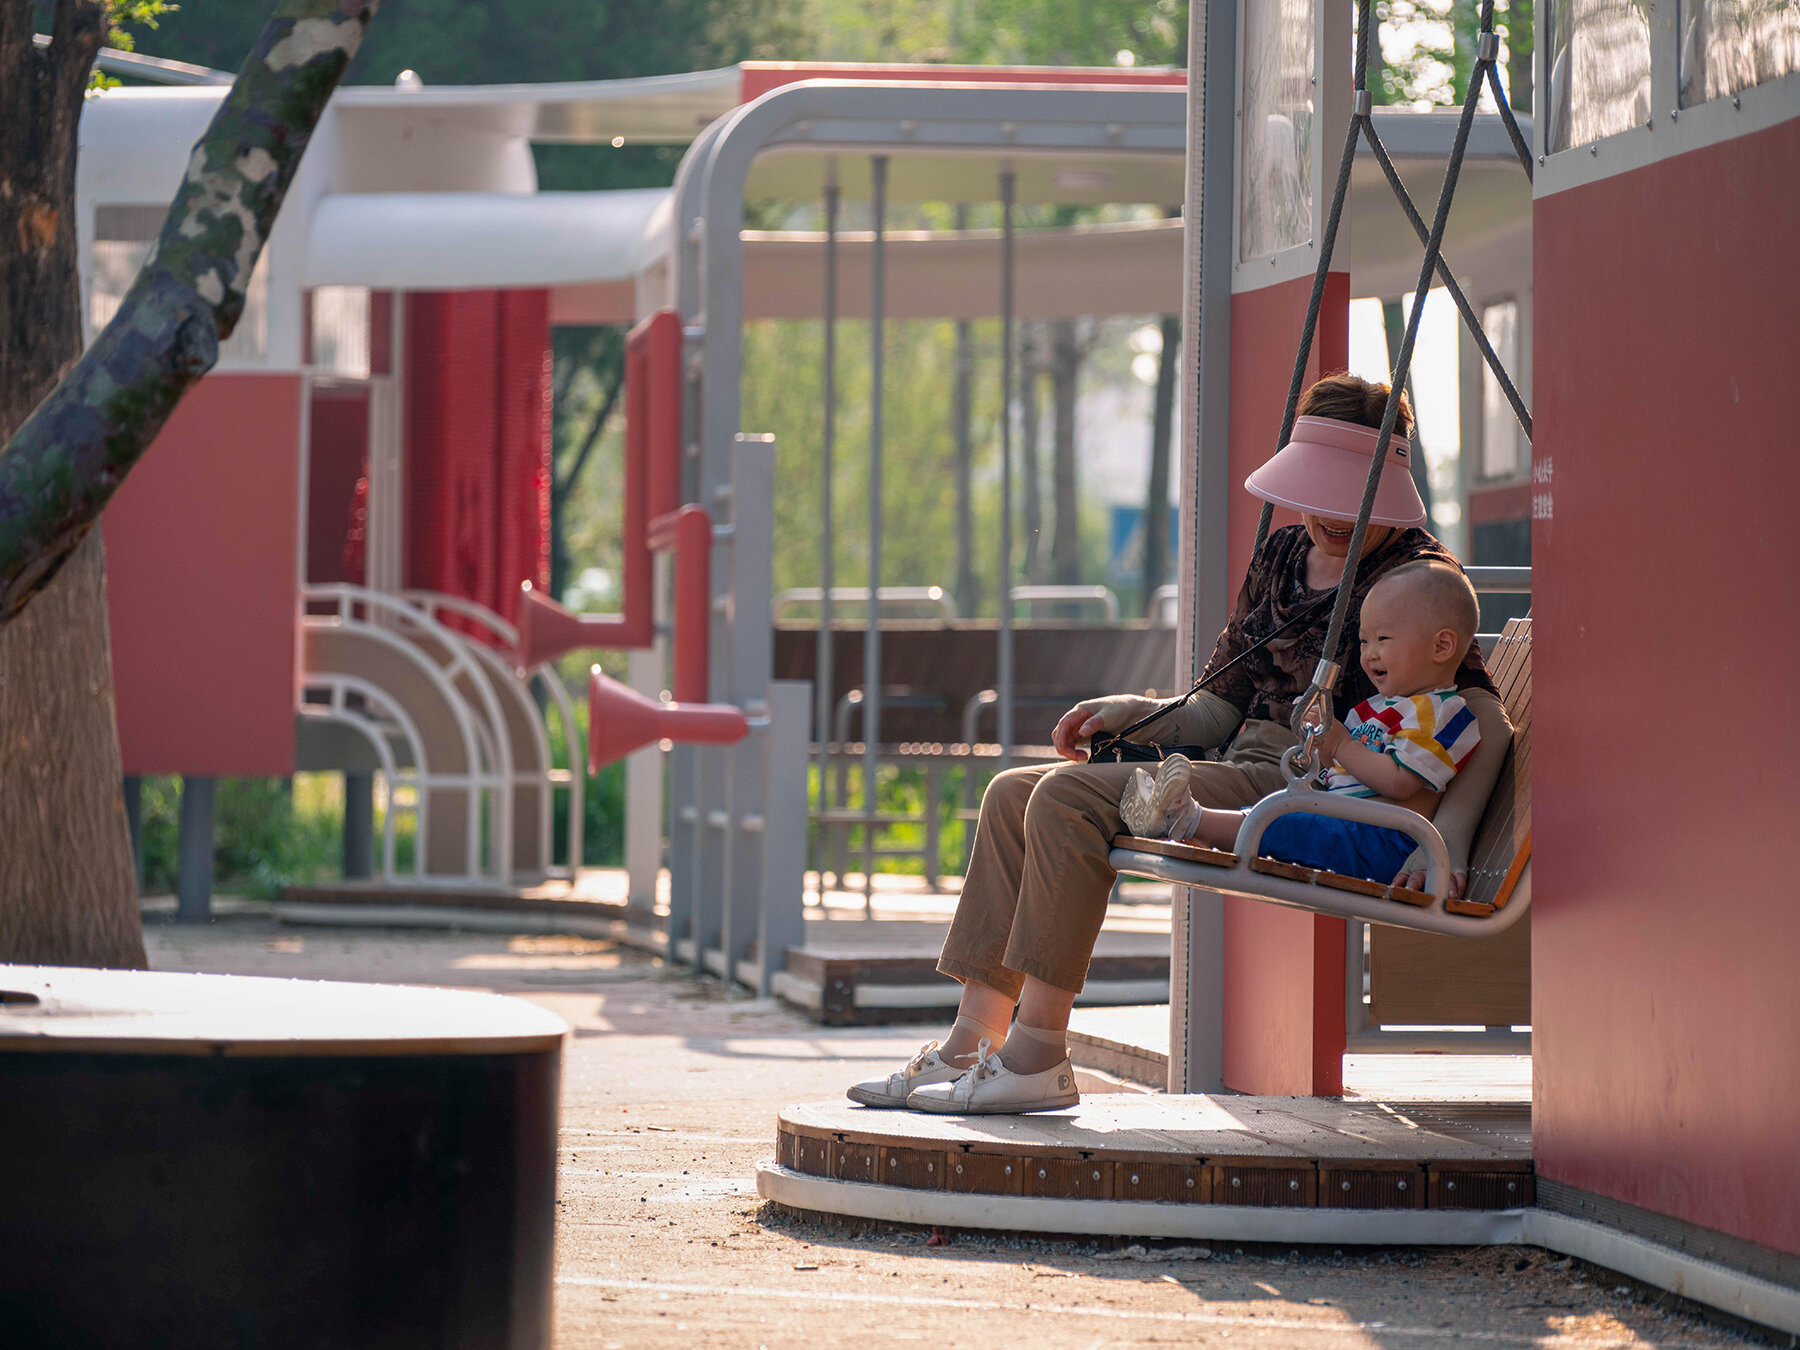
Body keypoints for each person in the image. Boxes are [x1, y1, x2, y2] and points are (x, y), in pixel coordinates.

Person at [846, 373, 1512, 1116]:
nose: (1325, 513)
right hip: (1235, 759)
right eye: (1315, 488)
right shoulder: (1282, 555)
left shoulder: (1417, 578)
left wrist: (1443, 839)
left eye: (1345, 495)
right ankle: (971, 1045)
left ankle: (1036, 1054)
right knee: (1011, 791)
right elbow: (1215, 707)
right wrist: (1131, 713)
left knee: (1069, 799)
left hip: (1302, 777)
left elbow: (1483, 713)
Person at [1125, 560, 1482, 885]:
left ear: (1441, 647)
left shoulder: (1445, 713)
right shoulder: (1375, 707)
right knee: (1283, 810)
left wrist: (1342, 744)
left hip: (1385, 841)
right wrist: (1322, 745)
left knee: (1284, 821)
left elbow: (1401, 782)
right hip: (1351, 824)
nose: (1368, 653)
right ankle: (1191, 822)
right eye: (1363, 640)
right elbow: (1344, 769)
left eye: (1383, 639)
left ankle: (1185, 819)